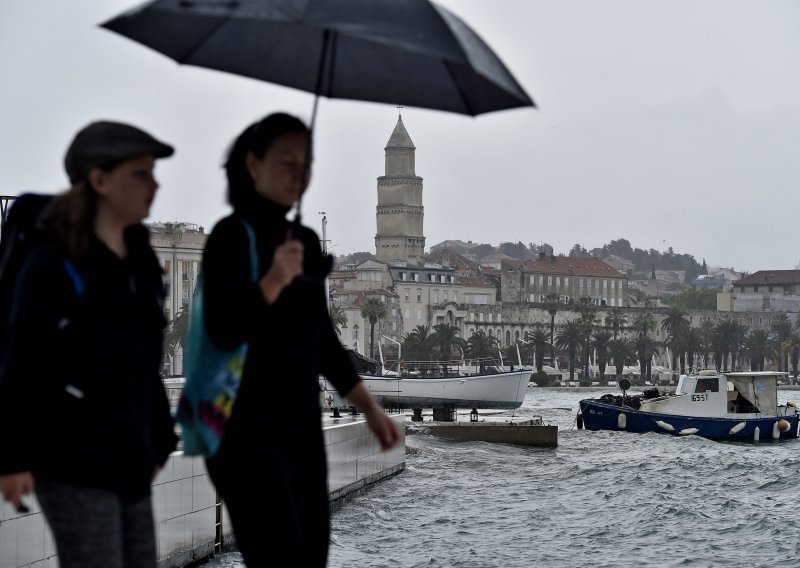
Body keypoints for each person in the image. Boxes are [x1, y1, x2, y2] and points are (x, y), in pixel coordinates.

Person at [201, 112, 401, 567]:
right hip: (244, 430)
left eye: (306, 164)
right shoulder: (231, 238)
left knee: (311, 558)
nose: (299, 174)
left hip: (300, 427)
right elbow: (224, 331)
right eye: (286, 162)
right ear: (253, 165)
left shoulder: (304, 241)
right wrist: (273, 280)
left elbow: (322, 341)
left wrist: (371, 410)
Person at [0, 120, 179, 568]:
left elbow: (142, 363)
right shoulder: (53, 264)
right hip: (70, 457)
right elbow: (20, 359)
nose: (154, 184)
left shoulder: (139, 260)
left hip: (130, 455)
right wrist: (12, 456)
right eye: (140, 173)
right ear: (99, 180)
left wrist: (160, 441)